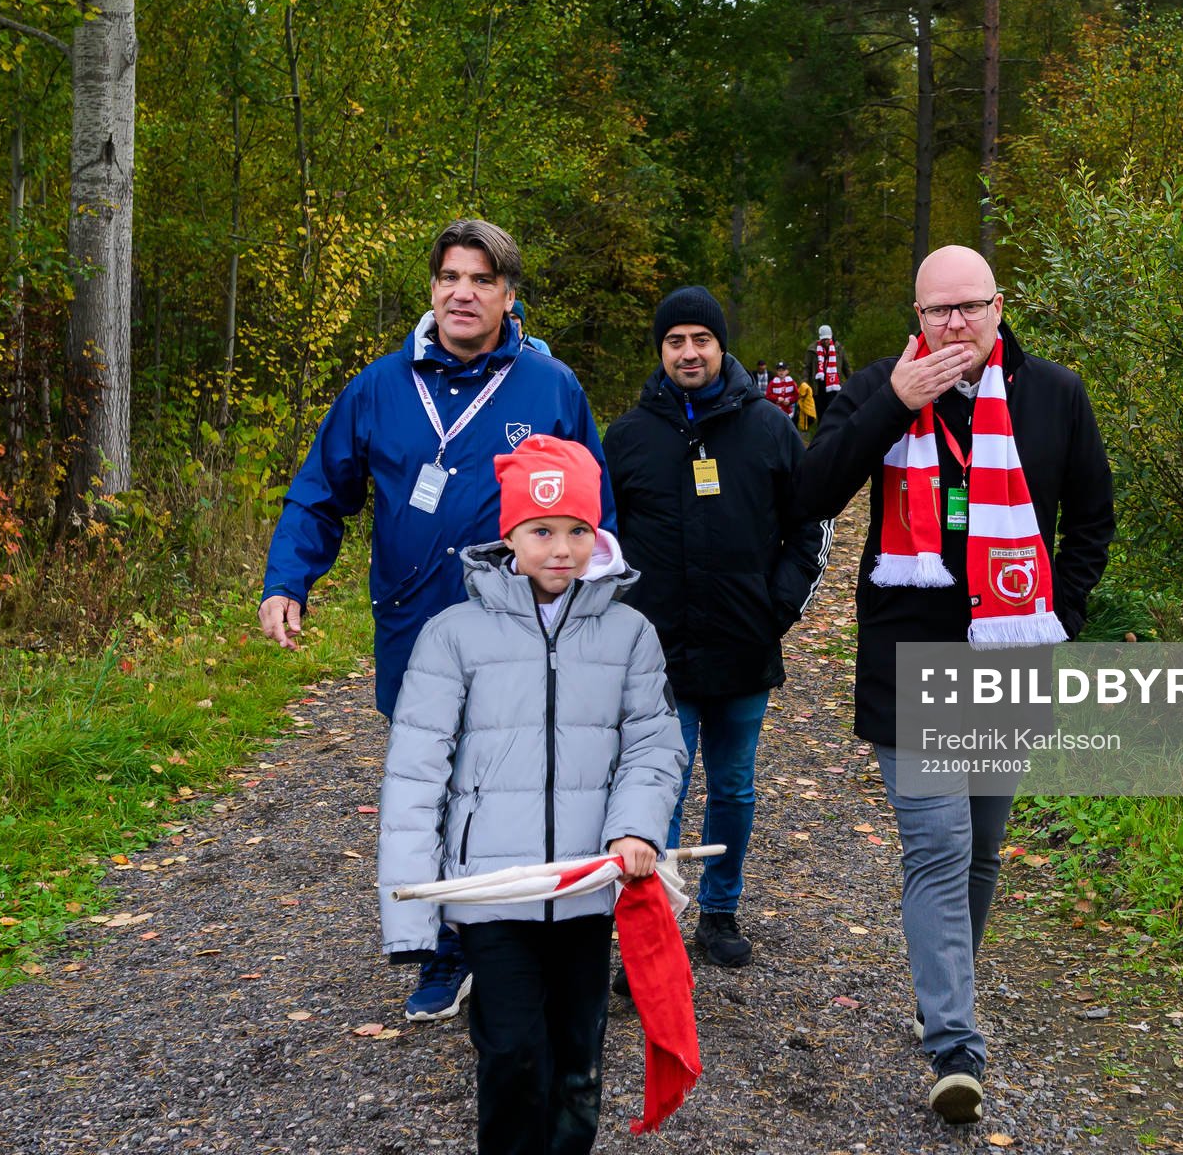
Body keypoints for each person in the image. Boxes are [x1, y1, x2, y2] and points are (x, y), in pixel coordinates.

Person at [258, 217, 614, 1024]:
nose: (464, 292)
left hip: (527, 631)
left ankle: (518, 944)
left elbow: (596, 512)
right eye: (451, 276)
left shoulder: (548, 388)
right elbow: (320, 493)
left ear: (508, 296)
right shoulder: (379, 389)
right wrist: (289, 581)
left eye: (483, 280)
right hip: (416, 632)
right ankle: (448, 952)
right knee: (437, 793)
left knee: (521, 789)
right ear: (432, 288)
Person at [793, 245, 1114, 1124]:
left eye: (971, 306)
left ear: (1000, 308)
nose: (956, 324)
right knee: (936, 848)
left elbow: (1092, 517)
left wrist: (1063, 616)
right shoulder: (877, 389)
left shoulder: (1055, 393)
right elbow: (810, 492)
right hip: (912, 663)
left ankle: (947, 986)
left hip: (1010, 657)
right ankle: (954, 1043)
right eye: (939, 310)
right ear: (917, 317)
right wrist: (897, 406)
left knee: (980, 849)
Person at [379, 434, 685, 1155]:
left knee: (577, 1060)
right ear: (508, 535)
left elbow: (652, 742)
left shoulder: (631, 633)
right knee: (513, 1052)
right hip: (493, 889)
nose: (560, 549)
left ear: (597, 534)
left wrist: (635, 829)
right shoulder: (453, 635)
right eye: (541, 530)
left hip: (586, 883)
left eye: (577, 530)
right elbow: (417, 768)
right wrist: (413, 910)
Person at [603, 287, 832, 975]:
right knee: (657, 792)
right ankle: (655, 926)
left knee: (733, 788)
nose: (689, 352)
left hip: (742, 645)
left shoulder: (769, 428)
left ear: (721, 345)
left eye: (701, 338)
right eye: (675, 341)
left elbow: (811, 525)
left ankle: (720, 910)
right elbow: (601, 543)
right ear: (661, 351)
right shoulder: (628, 438)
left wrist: (776, 608)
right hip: (657, 658)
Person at [805, 324, 849, 423]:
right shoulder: (812, 349)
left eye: (827, 339)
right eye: (823, 339)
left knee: (835, 413)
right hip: (819, 387)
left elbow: (846, 367)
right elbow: (807, 368)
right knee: (821, 414)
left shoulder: (839, 348)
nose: (826, 341)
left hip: (835, 386)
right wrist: (805, 383)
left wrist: (853, 380)